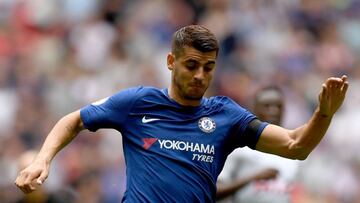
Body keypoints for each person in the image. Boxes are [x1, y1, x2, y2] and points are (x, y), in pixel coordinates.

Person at [15, 25, 349, 203]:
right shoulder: (137, 103)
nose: (200, 75)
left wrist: (324, 112)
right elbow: (74, 119)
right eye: (191, 65)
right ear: (171, 62)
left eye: (208, 67)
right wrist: (43, 159)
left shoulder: (227, 116)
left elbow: (296, 146)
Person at [216, 86, 299, 203]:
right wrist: (253, 178)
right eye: (267, 106)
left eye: (278, 106)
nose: (273, 111)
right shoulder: (238, 146)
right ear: (254, 109)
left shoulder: (293, 150)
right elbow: (215, 192)